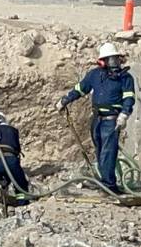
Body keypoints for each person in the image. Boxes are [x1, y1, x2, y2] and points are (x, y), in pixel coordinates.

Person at [55, 43, 135, 194]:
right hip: (97, 119)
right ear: (102, 61)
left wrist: (124, 114)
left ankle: (109, 186)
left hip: (112, 120)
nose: (114, 63)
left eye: (116, 59)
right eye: (110, 60)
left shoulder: (125, 78)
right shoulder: (94, 75)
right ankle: (104, 181)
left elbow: (129, 98)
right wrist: (65, 100)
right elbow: (81, 89)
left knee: (108, 152)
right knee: (99, 150)